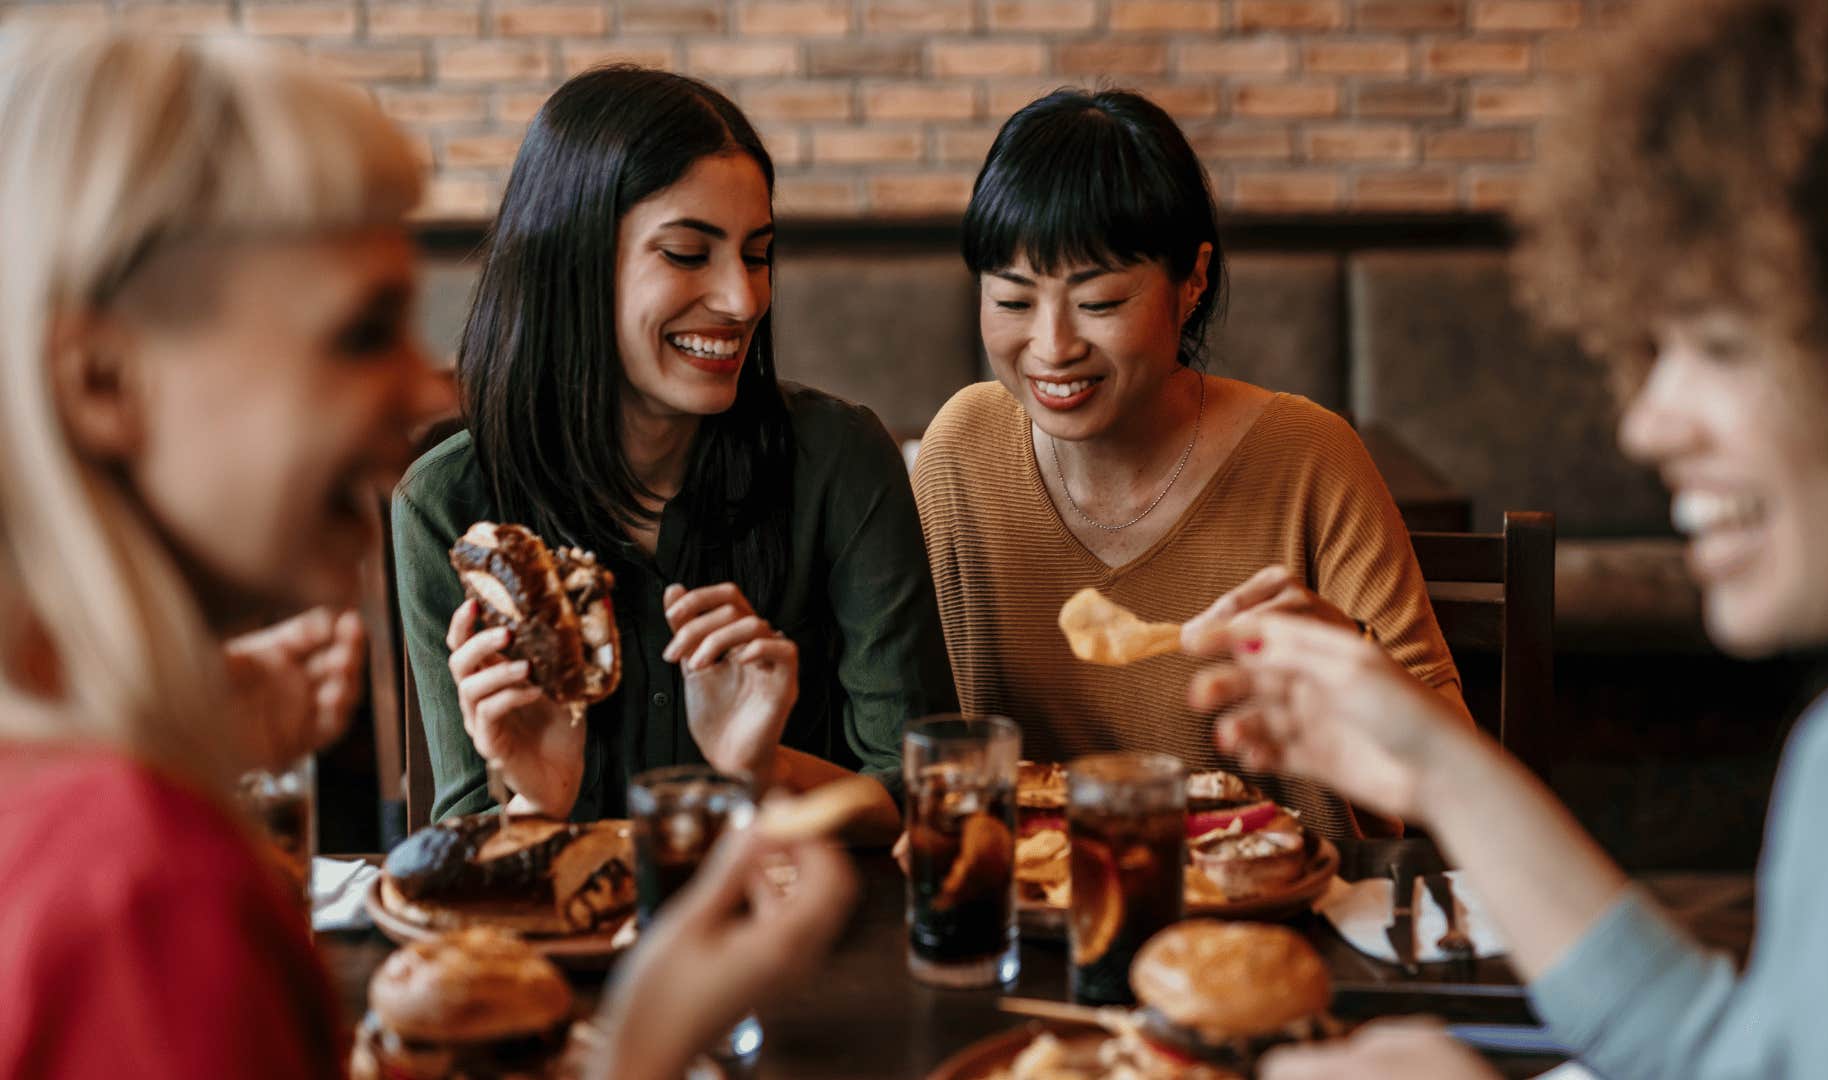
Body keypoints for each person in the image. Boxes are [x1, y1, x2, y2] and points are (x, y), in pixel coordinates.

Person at [0, 28, 855, 1079]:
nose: (424, 389)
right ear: (99, 381)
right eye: (363, 334)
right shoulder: (145, 892)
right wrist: (635, 1056)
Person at [1191, 0, 1828, 1076]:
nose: (1646, 421)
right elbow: (1725, 1052)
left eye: (1722, 344)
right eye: (1654, 345)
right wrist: (1432, 761)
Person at [392, 66, 955, 837]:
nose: (743, 299)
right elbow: (466, 836)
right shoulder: (447, 505)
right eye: (690, 253)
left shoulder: (839, 459)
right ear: (573, 262)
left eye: (757, 255)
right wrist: (539, 800)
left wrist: (763, 770)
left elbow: (925, 794)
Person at [910, 89, 1467, 837]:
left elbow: (1458, 771)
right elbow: (907, 735)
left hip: (1282, 922)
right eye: (1012, 302)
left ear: (1193, 280)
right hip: (1030, 925)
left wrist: (1345, 663)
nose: (1051, 346)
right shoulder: (961, 453)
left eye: (1100, 302)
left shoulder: (1309, 457)